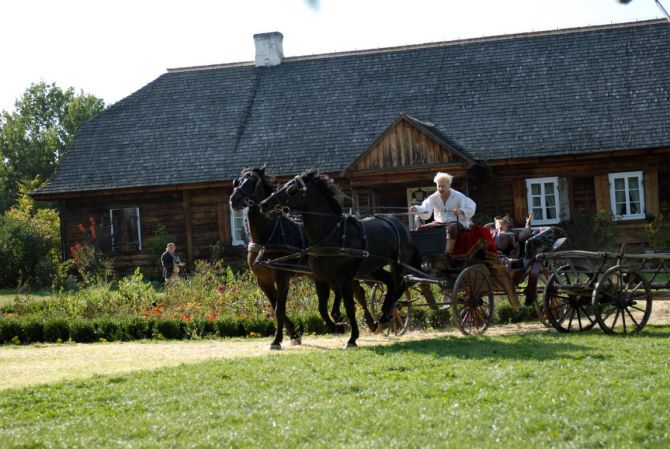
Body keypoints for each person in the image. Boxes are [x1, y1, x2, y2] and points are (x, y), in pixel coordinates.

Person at [409, 172, 477, 254]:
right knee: (422, 228)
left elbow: (471, 206)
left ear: (449, 185)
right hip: (439, 222)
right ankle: (426, 253)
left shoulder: (458, 196)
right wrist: (416, 209)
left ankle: (447, 253)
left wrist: (461, 211)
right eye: (439, 186)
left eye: (443, 186)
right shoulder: (433, 197)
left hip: (456, 223)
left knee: (452, 227)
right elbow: (425, 208)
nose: (440, 189)